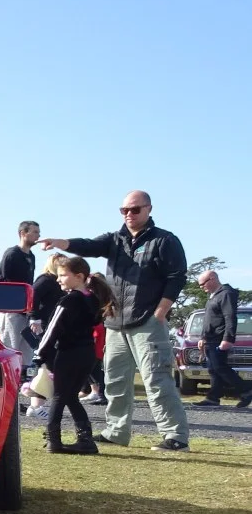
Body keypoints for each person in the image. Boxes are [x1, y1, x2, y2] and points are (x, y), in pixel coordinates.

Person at [39, 190, 190, 451]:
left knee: (156, 379)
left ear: (149, 209)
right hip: (116, 323)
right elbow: (87, 245)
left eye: (135, 210)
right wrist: (58, 242)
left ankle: (175, 436)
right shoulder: (115, 240)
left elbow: (177, 276)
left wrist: (161, 312)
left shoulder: (164, 240)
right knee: (116, 380)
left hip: (147, 321)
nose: (129, 215)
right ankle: (116, 432)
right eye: (124, 210)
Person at [34, 256, 116, 453]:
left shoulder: (68, 300)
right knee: (71, 396)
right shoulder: (93, 299)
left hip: (68, 354)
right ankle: (85, 439)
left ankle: (53, 439)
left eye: (62, 275)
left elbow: (52, 330)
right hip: (86, 354)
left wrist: (40, 355)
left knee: (59, 396)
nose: (58, 279)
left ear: (78, 277)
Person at [192, 269, 252, 408]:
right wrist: (203, 337)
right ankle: (213, 398)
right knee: (213, 369)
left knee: (220, 367)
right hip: (210, 339)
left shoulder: (226, 294)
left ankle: (246, 389)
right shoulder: (213, 296)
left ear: (212, 279)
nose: (201, 287)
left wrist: (228, 339)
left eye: (203, 284)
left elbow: (229, 317)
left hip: (220, 338)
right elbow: (210, 320)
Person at [0, 221, 40, 375]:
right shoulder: (12, 254)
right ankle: (5, 375)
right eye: (34, 232)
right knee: (10, 345)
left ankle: (21, 377)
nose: (38, 236)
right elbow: (3, 279)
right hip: (11, 309)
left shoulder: (31, 257)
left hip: (25, 309)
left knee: (25, 347)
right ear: (23, 233)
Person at [23, 253, 65, 417]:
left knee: (48, 366)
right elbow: (32, 294)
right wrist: (34, 317)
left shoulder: (56, 282)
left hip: (53, 327)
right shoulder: (46, 279)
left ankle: (36, 404)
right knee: (47, 366)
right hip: (46, 327)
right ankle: (36, 406)